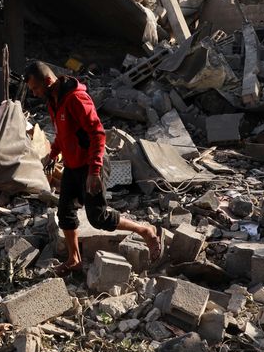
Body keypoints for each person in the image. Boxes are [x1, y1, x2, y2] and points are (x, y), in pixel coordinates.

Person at [25, 61, 162, 276]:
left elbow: (98, 134)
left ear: (48, 81)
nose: (34, 94)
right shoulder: (53, 100)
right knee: (65, 213)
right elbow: (63, 133)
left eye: (35, 88)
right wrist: (52, 154)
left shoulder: (76, 99)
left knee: (98, 218)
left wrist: (95, 172)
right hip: (72, 165)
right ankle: (74, 260)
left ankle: (145, 230)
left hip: (91, 164)